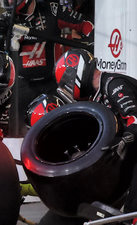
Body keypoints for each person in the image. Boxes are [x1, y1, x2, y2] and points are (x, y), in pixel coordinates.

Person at [0, 0, 92, 117]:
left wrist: (93, 42)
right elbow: (0, 52)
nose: (9, 3)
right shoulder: (5, 20)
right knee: (16, 126)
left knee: (60, 120)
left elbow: (86, 25)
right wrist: (3, 39)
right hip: (22, 84)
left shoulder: (51, 11)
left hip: (52, 83)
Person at [55, 50, 137, 209]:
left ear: (75, 74)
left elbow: (135, 118)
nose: (70, 89)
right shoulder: (98, 97)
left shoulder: (113, 84)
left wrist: (123, 141)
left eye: (68, 84)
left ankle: (131, 223)